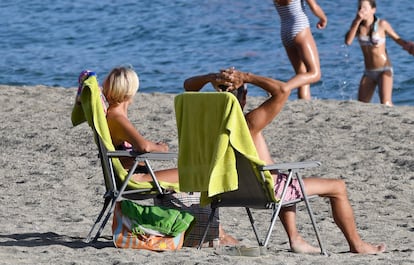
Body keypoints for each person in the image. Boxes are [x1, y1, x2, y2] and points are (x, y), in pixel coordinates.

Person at [184, 67, 386, 254]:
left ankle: (295, 239)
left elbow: (188, 86)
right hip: (267, 192)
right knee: (337, 187)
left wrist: (211, 78)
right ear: (244, 96)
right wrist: (247, 77)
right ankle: (357, 245)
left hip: (226, 191)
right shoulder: (249, 123)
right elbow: (282, 90)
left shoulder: (209, 126)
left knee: (281, 177)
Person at [102, 66, 238, 246]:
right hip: (135, 178)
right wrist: (159, 147)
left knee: (196, 173)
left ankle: (213, 231)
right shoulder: (117, 117)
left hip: (130, 174)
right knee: (201, 173)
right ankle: (217, 234)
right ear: (131, 90)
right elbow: (142, 145)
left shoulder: (113, 114)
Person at [344, 0, 409, 106]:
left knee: (386, 103)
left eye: (364, 8)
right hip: (369, 72)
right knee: (361, 105)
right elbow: (348, 41)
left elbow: (398, 40)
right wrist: (356, 21)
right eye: (359, 8)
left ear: (373, 10)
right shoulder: (357, 26)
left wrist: (409, 46)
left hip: (384, 69)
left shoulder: (382, 24)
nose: (361, 11)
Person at [273, 0, 327, 99]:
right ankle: (282, 87)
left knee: (301, 73)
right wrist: (323, 18)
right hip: (299, 27)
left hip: (285, 31)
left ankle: (304, 103)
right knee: (315, 74)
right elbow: (314, 7)